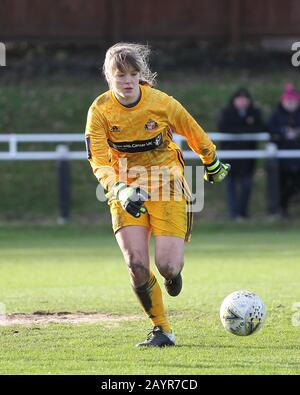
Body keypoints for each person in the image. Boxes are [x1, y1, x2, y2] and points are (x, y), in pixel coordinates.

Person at [85, 43, 230, 347]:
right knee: (136, 263)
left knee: (167, 266)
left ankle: (173, 273)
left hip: (168, 185)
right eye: (119, 74)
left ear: (141, 75)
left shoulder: (161, 103)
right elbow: (98, 159)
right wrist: (119, 188)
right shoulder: (99, 111)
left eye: (132, 74)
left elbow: (193, 131)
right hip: (126, 189)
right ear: (109, 77)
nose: (126, 80)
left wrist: (211, 160)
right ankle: (162, 329)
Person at [218, 88, 264, 220]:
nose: (242, 102)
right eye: (240, 99)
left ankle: (243, 213)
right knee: (230, 186)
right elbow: (225, 128)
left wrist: (243, 126)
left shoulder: (255, 113)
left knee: (247, 186)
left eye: (245, 99)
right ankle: (234, 215)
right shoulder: (227, 113)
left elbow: (260, 128)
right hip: (230, 157)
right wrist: (245, 124)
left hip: (248, 160)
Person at [268, 83, 300, 218]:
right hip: (282, 160)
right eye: (289, 101)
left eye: (294, 101)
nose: (291, 104)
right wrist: (283, 133)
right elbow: (270, 129)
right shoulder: (276, 115)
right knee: (283, 186)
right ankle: (283, 210)